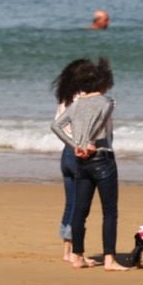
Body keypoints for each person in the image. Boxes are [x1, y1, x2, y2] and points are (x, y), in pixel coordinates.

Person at [51, 58, 127, 270]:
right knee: (109, 211)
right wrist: (89, 141)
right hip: (101, 156)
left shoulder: (74, 102)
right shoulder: (107, 101)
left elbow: (56, 125)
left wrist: (76, 144)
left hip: (76, 156)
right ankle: (109, 259)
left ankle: (76, 255)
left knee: (78, 209)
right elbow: (101, 120)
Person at [51, 59, 90, 263]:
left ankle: (66, 249)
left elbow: (58, 126)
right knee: (79, 205)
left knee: (71, 203)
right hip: (77, 153)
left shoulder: (64, 99)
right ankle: (72, 251)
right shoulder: (82, 100)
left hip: (66, 152)